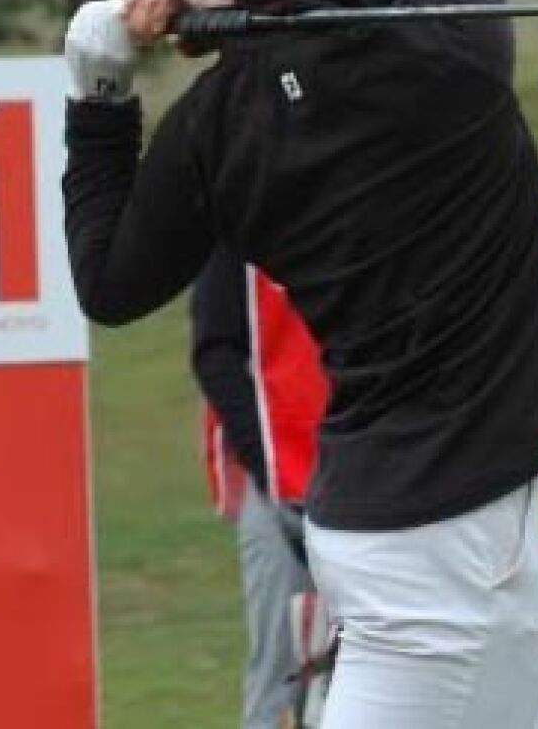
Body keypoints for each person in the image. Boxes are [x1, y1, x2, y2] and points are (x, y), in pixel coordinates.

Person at [60, 0, 538, 729]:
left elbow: (110, 279)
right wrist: (248, 2)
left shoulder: (219, 121)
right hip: (457, 545)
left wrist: (100, 94)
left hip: (402, 513)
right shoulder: (443, 46)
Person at [190, 250, 332, 728]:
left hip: (373, 480)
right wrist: (264, 459)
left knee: (382, 664)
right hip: (277, 486)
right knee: (281, 671)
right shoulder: (237, 232)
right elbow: (215, 351)